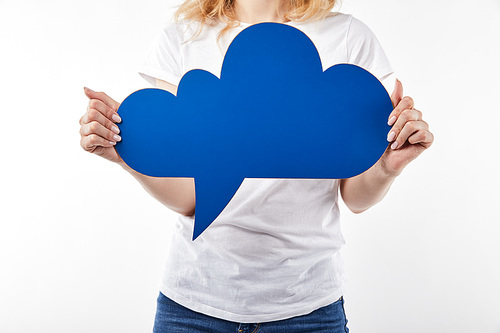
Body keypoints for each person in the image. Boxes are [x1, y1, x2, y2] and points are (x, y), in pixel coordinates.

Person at [79, 0, 434, 332]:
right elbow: (192, 198)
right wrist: (126, 154)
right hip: (192, 305)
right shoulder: (184, 35)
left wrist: (387, 166)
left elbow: (355, 198)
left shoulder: (347, 37)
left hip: (309, 309)